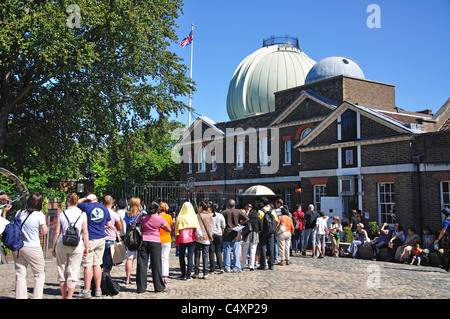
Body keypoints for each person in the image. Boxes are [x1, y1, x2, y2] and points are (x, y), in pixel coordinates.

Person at [51, 193, 89, 299]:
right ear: (77, 202)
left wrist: (54, 247)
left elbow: (57, 231)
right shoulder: (82, 214)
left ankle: (63, 296)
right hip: (77, 244)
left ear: (67, 201)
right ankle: (70, 296)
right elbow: (85, 232)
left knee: (61, 271)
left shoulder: (62, 214)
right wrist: (86, 246)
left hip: (62, 243)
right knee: (73, 271)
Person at [13, 193, 48, 299]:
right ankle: (37, 297)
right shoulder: (39, 215)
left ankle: (20, 297)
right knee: (39, 274)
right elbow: (44, 231)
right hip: (33, 247)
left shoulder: (19, 213)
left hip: (19, 247)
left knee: (20, 273)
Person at [77, 193, 112, 298]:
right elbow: (109, 225)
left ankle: (86, 290)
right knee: (97, 265)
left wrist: (85, 198)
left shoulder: (86, 206)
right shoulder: (104, 209)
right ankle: (98, 289)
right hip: (101, 238)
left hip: (90, 238)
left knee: (88, 265)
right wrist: (101, 227)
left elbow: (76, 202)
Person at [136, 201, 171, 293]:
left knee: (142, 264)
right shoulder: (159, 219)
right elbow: (169, 229)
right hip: (155, 241)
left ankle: (141, 287)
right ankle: (158, 286)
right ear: (157, 209)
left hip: (143, 240)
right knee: (156, 264)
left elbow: (136, 225)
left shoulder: (142, 217)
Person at [174, 201, 201, 280]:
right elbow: (197, 227)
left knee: (181, 257)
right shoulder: (193, 216)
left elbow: (176, 229)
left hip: (182, 239)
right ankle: (188, 275)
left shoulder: (180, 217)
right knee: (190, 256)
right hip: (192, 239)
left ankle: (183, 274)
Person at [221, 199, 248, 273]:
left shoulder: (224, 212)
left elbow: (221, 220)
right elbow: (246, 219)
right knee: (236, 251)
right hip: (236, 233)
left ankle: (227, 267)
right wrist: (240, 223)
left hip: (227, 233)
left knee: (227, 251)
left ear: (228, 205)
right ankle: (236, 267)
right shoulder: (238, 211)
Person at [123, 197, 143, 285]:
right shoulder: (142, 214)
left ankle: (127, 278)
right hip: (139, 237)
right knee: (140, 258)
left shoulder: (127, 214)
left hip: (130, 237)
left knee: (129, 258)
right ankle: (139, 277)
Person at [102, 195, 122, 274]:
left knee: (97, 263)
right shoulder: (114, 214)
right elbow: (120, 227)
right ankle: (105, 280)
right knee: (107, 265)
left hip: (100, 238)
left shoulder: (100, 212)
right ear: (112, 202)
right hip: (110, 239)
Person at [193, 201, 213, 279]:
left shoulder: (197, 215)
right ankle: (205, 273)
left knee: (197, 255)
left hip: (199, 237)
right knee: (205, 255)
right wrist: (210, 235)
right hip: (206, 237)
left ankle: (196, 272)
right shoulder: (209, 216)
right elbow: (209, 227)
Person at [257, 197, 277, 270]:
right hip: (271, 231)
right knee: (271, 247)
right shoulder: (272, 211)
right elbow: (276, 220)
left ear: (262, 203)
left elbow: (259, 221)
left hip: (263, 231)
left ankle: (263, 264)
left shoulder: (260, 211)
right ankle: (271, 264)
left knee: (263, 247)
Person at [158, 201, 173, 284]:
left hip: (158, 238)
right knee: (165, 258)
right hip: (167, 238)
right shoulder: (169, 217)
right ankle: (165, 276)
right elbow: (169, 226)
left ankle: (158, 274)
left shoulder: (157, 216)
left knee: (158, 258)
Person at [209, 202, 225, 273]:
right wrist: (222, 233)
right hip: (219, 234)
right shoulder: (220, 216)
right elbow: (223, 226)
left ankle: (212, 268)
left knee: (211, 252)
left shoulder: (209, 216)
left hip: (211, 234)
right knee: (218, 251)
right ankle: (220, 266)